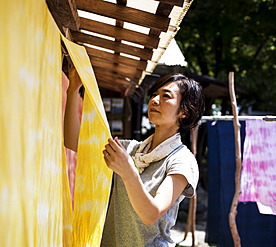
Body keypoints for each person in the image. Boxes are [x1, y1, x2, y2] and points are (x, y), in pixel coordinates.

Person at [64, 68, 205, 247]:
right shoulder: (130, 149)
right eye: (154, 94)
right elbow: (73, 141)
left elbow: (150, 214)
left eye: (166, 96)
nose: (154, 100)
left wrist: (128, 171)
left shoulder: (181, 160)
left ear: (184, 111)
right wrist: (72, 90)